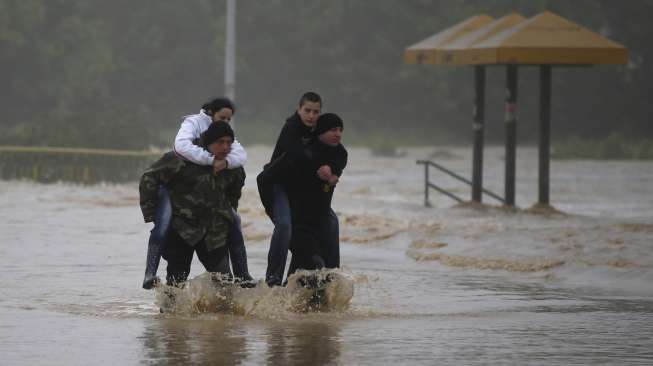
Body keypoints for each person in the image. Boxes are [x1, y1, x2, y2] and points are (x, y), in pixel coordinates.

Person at [142, 97, 251, 289]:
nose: (225, 147)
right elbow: (149, 179)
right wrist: (152, 214)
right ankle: (164, 306)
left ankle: (242, 282)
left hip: (213, 234)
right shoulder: (180, 160)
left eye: (228, 143)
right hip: (182, 230)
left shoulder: (232, 166)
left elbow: (234, 193)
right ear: (208, 142)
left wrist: (226, 214)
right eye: (220, 143)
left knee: (226, 286)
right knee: (174, 288)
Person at [261, 92, 343, 286]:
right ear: (299, 109)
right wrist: (320, 168)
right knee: (284, 227)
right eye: (307, 111)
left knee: (331, 222)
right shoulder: (291, 127)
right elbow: (297, 154)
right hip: (275, 184)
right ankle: (272, 280)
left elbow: (338, 152)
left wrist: (334, 171)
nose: (311, 116)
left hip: (296, 190)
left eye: (316, 112)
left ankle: (332, 277)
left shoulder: (317, 130)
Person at [285, 113, 347, 277]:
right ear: (321, 131)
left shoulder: (340, 153)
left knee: (331, 272)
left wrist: (335, 175)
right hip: (299, 220)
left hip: (322, 218)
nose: (338, 134)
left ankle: (286, 298)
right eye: (333, 130)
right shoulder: (306, 150)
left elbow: (339, 164)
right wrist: (315, 170)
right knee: (312, 266)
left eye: (340, 130)